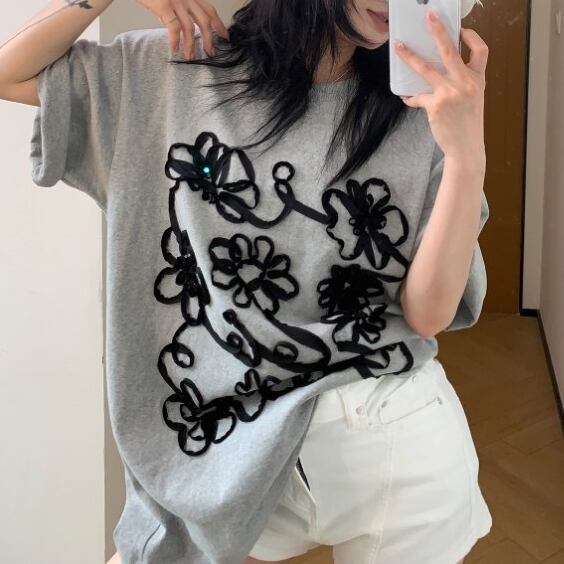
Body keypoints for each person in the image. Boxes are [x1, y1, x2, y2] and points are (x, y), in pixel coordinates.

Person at [0, 0, 491, 562]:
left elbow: (427, 314)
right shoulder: (169, 69)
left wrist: (466, 158)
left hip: (391, 442)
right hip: (223, 448)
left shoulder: (427, 107)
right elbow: (9, 73)